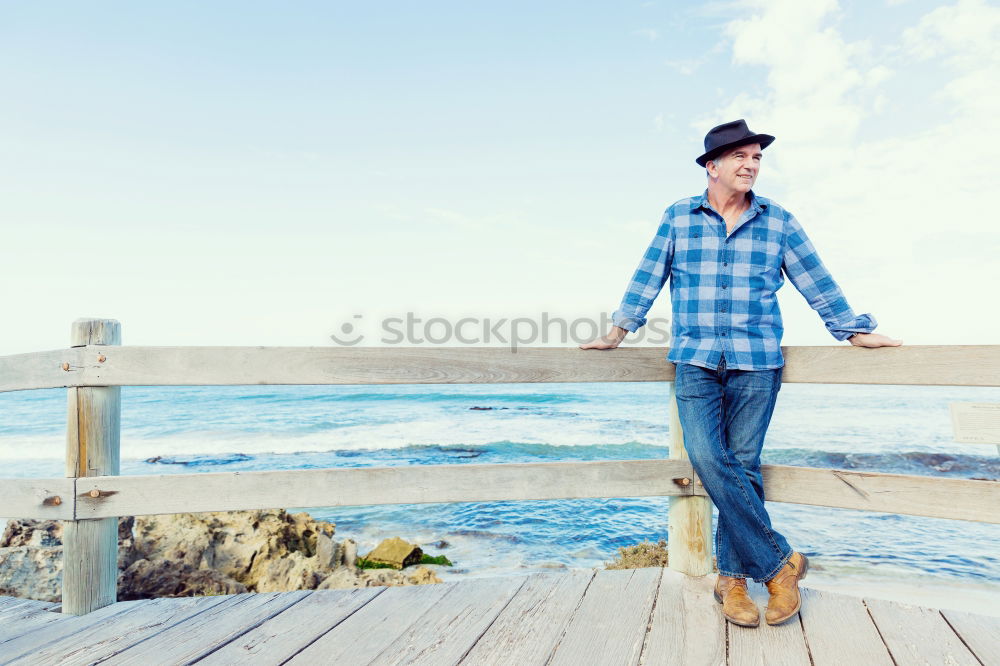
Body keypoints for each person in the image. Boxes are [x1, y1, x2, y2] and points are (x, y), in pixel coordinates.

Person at [580, 119, 903, 627]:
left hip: (757, 361)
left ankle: (731, 581)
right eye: (740, 157)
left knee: (744, 467)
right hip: (696, 359)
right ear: (712, 165)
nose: (751, 165)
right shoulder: (679, 217)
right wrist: (620, 330)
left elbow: (815, 279)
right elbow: (648, 274)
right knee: (709, 458)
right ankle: (781, 564)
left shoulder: (780, 222)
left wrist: (851, 330)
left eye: (757, 158)